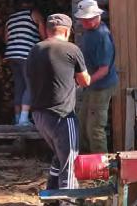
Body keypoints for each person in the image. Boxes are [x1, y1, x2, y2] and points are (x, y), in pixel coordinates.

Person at [27, 14, 90, 190]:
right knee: (70, 162)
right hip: (62, 116)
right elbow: (85, 81)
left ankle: (51, 196)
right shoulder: (72, 49)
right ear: (67, 31)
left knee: (59, 156)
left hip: (39, 115)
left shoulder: (35, 50)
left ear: (47, 30)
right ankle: (68, 201)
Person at [74, 0, 119, 154]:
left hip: (102, 86)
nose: (83, 22)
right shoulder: (90, 32)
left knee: (95, 127)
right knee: (82, 122)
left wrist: (86, 81)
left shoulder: (102, 37)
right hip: (92, 85)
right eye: (82, 19)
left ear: (96, 16)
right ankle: (85, 161)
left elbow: (104, 70)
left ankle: (101, 169)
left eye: (87, 19)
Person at [4, 0, 46, 126]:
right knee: (30, 86)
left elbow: (6, 39)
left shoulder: (11, 18)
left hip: (12, 54)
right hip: (26, 54)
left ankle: (17, 119)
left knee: (19, 86)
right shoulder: (34, 13)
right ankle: (23, 119)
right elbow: (43, 35)